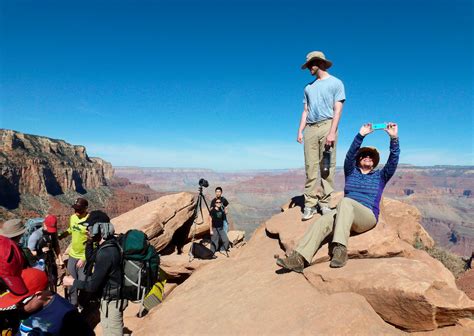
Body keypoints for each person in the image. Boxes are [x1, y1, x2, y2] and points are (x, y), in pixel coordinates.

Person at [277, 123, 400, 272]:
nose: (368, 157)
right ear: (358, 160)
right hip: (346, 214)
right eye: (364, 155)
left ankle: (340, 249)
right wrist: (361, 135)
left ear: (374, 162)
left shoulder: (381, 176)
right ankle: (299, 258)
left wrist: (394, 138)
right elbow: (349, 155)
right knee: (322, 221)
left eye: (371, 156)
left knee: (346, 202)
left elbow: (393, 160)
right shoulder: (351, 172)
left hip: (366, 216)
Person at [297, 51, 346, 220]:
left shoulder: (336, 83)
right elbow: (306, 111)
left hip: (327, 125)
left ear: (320, 63)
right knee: (310, 168)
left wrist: (332, 132)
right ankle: (309, 205)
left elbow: (338, 109)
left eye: (312, 64)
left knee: (326, 167)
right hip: (310, 128)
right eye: (308, 65)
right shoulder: (308, 88)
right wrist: (300, 131)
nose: (310, 67)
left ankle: (324, 203)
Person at [63, 218, 126, 336]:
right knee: (107, 329)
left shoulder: (106, 253)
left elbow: (92, 286)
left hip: (113, 300)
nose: (88, 232)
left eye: (91, 230)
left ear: (100, 232)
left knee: (113, 332)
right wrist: (89, 242)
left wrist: (72, 282)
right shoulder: (108, 245)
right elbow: (91, 257)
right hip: (109, 297)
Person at [0, 267, 94, 336]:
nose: (16, 306)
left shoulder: (68, 317)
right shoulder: (25, 308)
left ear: (39, 295)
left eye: (21, 302)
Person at [58, 197, 89, 307]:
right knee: (71, 282)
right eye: (75, 209)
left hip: (83, 257)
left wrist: (84, 258)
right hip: (73, 255)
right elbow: (71, 229)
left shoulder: (89, 221)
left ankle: (84, 303)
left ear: (85, 208)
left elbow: (93, 242)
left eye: (79, 209)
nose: (76, 211)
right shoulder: (73, 217)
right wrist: (62, 235)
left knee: (82, 282)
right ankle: (73, 304)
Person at [27, 215, 64, 292]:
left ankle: (54, 294)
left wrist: (60, 259)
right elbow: (29, 252)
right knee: (43, 282)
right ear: (44, 224)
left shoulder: (53, 232)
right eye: (49, 228)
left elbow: (56, 246)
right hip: (39, 262)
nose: (51, 231)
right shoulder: (35, 235)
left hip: (50, 259)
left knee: (54, 278)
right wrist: (40, 251)